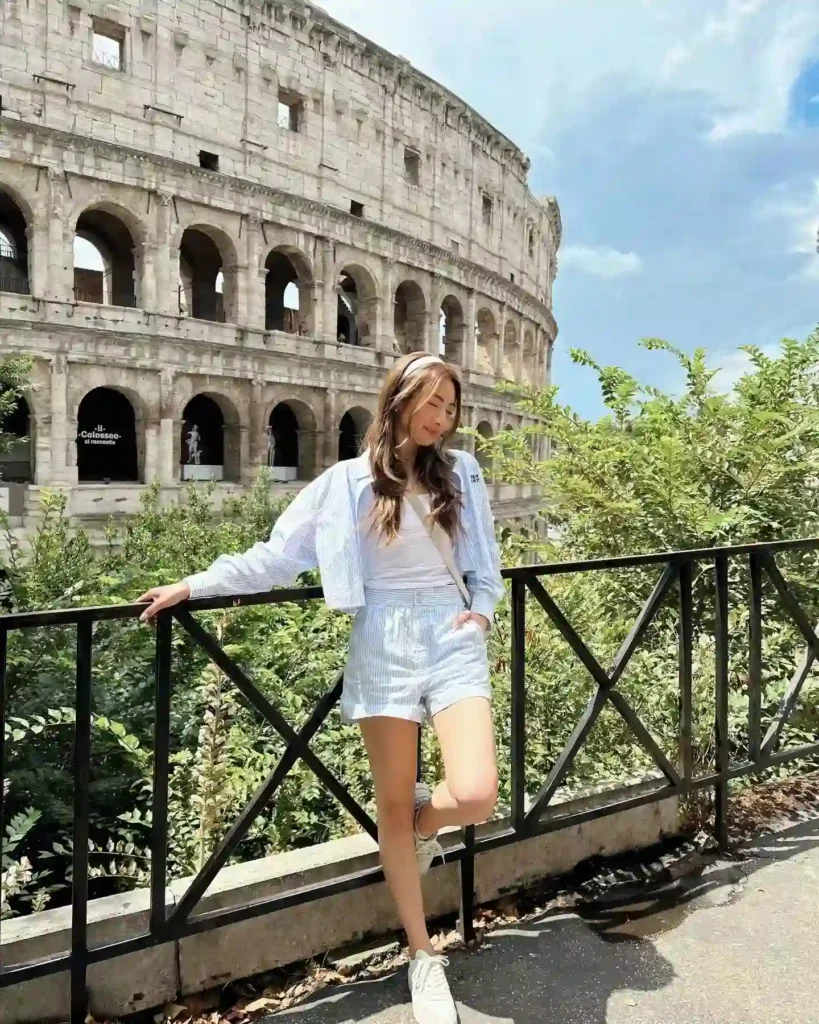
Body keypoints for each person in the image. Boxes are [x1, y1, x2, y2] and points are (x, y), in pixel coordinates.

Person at [138, 352, 504, 1024]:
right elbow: (276, 557)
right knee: (389, 808)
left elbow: (486, 562)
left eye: (449, 408)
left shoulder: (462, 475)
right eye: (430, 402)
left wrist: (481, 612)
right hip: (382, 639)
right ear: (397, 399)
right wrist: (196, 585)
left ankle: (422, 822)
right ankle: (422, 957)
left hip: (452, 636)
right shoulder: (344, 484)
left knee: (476, 793)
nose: (440, 417)